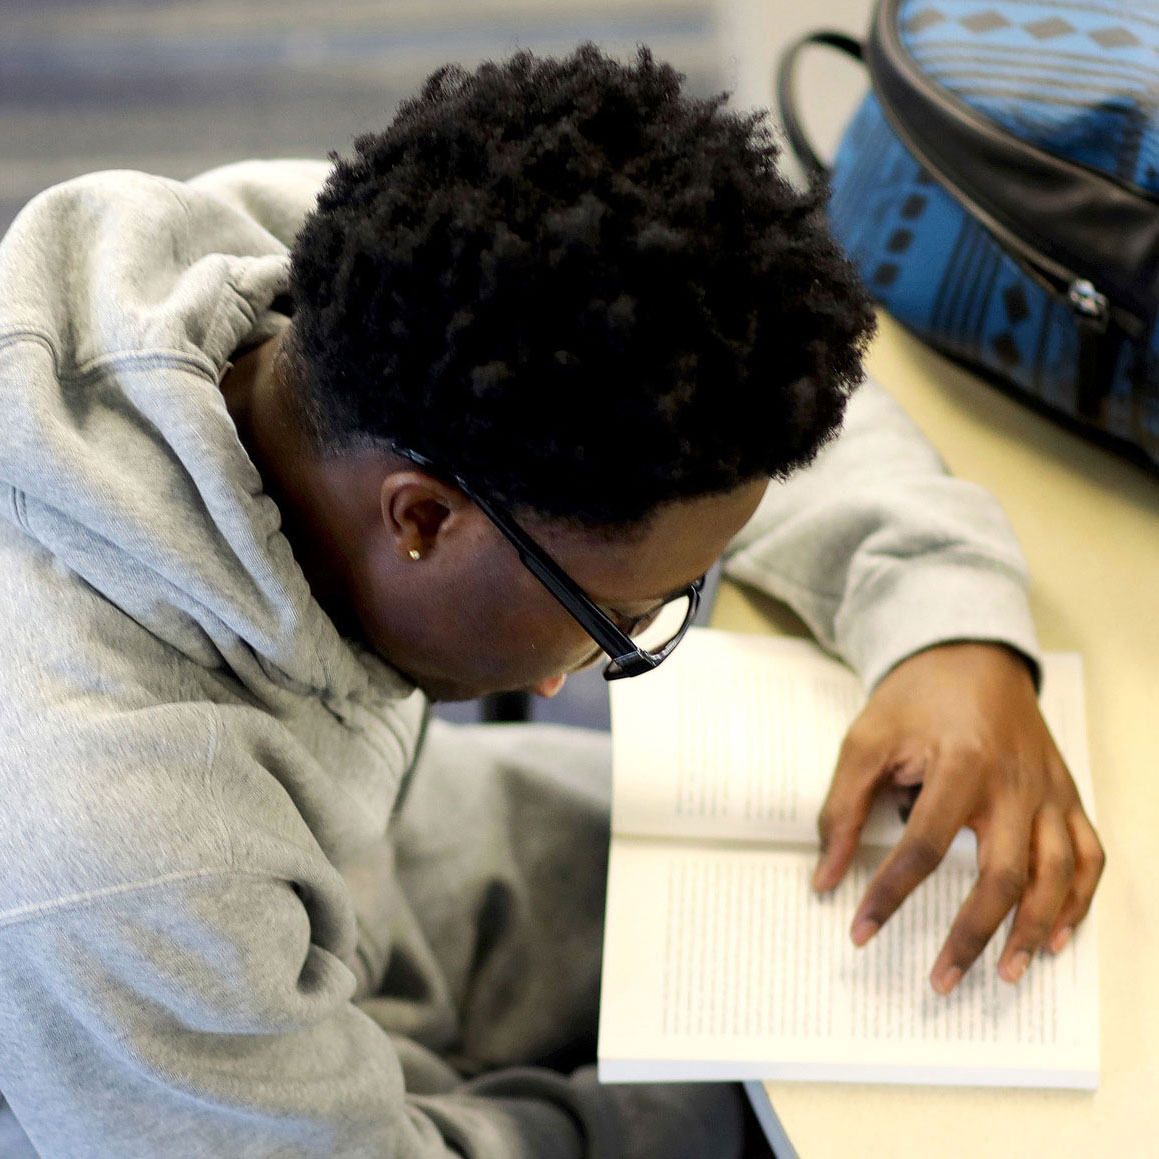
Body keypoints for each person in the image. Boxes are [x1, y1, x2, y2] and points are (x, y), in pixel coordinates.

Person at [0, 45, 1101, 1159]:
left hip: (381, 863)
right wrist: (733, 1121)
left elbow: (743, 404)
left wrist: (942, 628)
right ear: (423, 519)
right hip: (149, 1054)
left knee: (803, 857)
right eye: (619, 615)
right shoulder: (125, 861)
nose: (577, 669)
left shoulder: (319, 271)